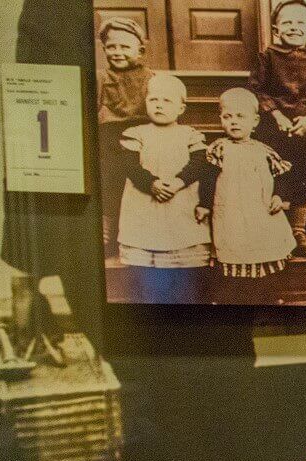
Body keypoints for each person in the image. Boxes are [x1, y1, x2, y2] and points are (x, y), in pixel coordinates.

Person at [116, 74, 211, 304]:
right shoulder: (136, 133)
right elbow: (130, 165)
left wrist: (179, 182)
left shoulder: (190, 135)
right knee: (146, 272)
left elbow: (199, 163)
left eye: (167, 101)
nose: (159, 105)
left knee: (183, 270)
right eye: (153, 99)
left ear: (181, 107)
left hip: (180, 204)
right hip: (145, 204)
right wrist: (152, 183)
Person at [197, 88, 296, 302]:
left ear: (255, 121)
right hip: (231, 213)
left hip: (260, 213)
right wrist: (204, 204)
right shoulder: (218, 149)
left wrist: (278, 196)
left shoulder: (265, 151)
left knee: (263, 250)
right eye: (227, 117)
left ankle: (265, 296)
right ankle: (233, 298)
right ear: (221, 120)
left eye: (240, 116)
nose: (234, 122)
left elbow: (282, 178)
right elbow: (207, 179)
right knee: (233, 249)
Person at [248, 0, 306, 259]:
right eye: (287, 22)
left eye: (300, 23)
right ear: (276, 28)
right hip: (274, 129)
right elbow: (257, 89)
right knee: (276, 176)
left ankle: (298, 230)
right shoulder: (267, 58)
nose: (293, 27)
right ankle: (275, 230)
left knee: (305, 176)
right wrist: (276, 115)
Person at [96, 18, 154, 257]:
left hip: (142, 138)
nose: (117, 52)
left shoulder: (151, 78)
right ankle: (106, 238)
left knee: (143, 184)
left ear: (140, 51)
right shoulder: (100, 78)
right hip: (109, 140)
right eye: (111, 47)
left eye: (124, 47)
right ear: (103, 49)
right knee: (109, 185)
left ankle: (143, 238)